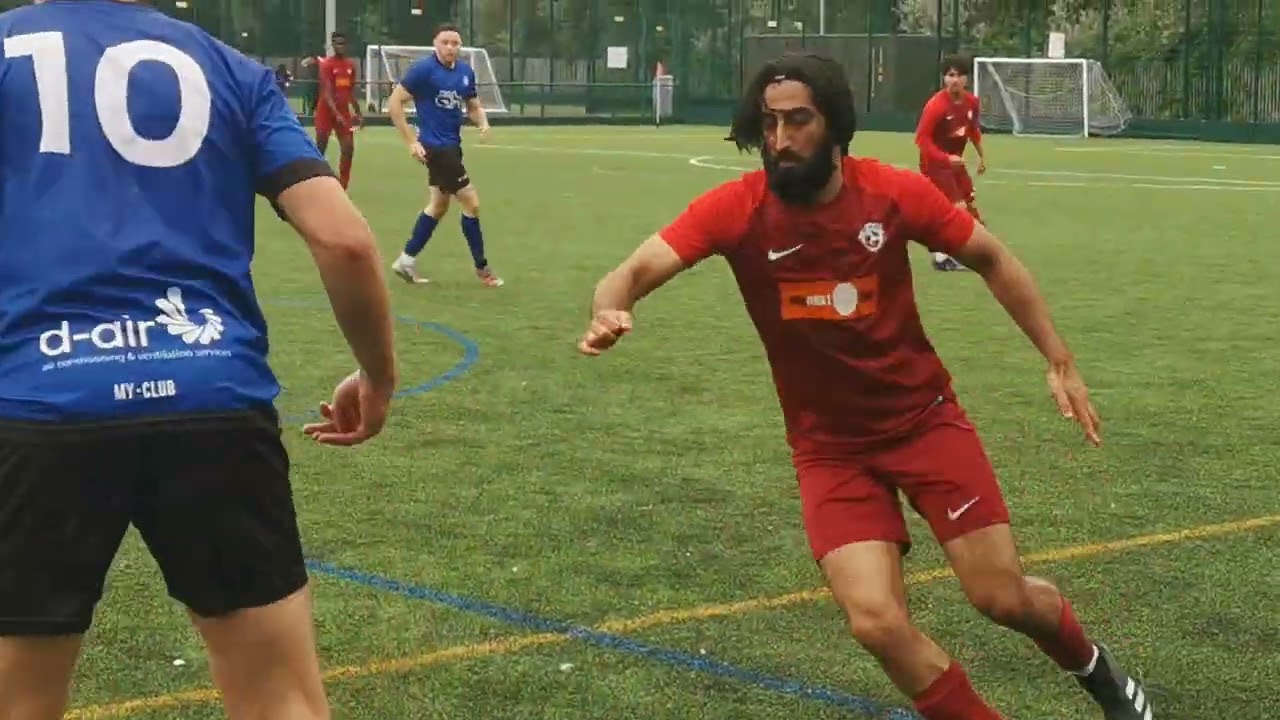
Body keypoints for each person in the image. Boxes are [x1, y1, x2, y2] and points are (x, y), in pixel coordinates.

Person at [578, 52, 1153, 720]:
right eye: (769, 123)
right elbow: (628, 271)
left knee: (1002, 597)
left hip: (924, 422)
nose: (781, 140)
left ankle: (1095, 669)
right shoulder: (737, 210)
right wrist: (609, 307)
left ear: (835, 125)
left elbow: (991, 257)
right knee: (877, 623)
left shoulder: (889, 193)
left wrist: (1058, 357)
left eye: (798, 121)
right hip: (830, 452)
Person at [0, 2, 398, 718]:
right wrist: (378, 376)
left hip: (39, 402)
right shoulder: (227, 66)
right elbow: (345, 240)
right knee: (280, 698)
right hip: (211, 393)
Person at [388, 23, 503, 288]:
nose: (450, 47)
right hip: (436, 149)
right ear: (435, 44)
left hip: (452, 146)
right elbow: (395, 103)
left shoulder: (465, 72)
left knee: (439, 206)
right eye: (445, 42)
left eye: (455, 43)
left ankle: (406, 260)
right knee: (471, 203)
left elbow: (472, 106)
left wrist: (482, 122)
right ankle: (482, 268)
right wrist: (411, 142)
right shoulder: (423, 71)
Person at [915, 53, 988, 272]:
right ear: (944, 78)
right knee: (957, 208)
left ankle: (968, 251)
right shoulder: (936, 106)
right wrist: (946, 158)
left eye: (958, 75)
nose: (953, 80)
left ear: (967, 79)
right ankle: (943, 257)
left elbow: (972, 130)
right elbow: (921, 140)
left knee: (970, 206)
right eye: (949, 75)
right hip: (935, 164)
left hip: (955, 164)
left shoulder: (971, 102)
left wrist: (982, 155)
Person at [315, 30, 362, 189]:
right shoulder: (327, 65)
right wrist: (336, 114)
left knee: (348, 147)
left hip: (343, 111)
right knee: (320, 146)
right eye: (337, 43)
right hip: (326, 111)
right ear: (333, 45)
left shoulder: (350, 66)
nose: (340, 46)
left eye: (343, 43)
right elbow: (327, 93)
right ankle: (315, 179)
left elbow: (351, 91)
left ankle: (343, 185)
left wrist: (358, 112)